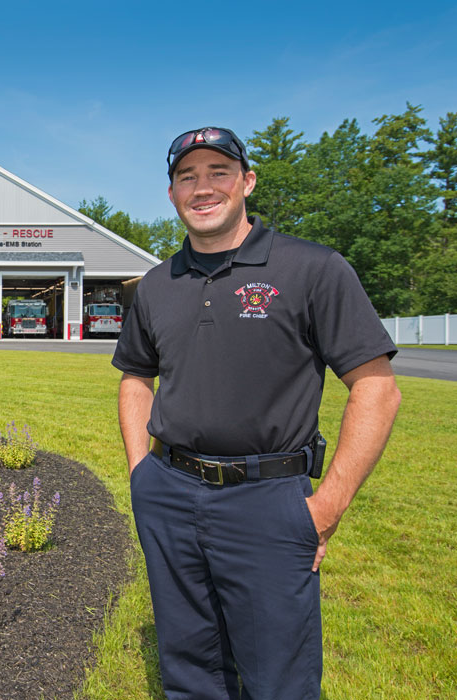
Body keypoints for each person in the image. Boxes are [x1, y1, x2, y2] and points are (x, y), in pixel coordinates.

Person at [112, 126, 401, 700]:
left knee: (279, 679)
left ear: (247, 182)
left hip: (268, 500)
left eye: (218, 172)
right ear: (171, 194)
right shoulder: (155, 285)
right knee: (190, 666)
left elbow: (376, 389)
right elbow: (135, 377)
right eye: (186, 177)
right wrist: (141, 472)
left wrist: (326, 508)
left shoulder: (311, 269)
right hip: (168, 493)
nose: (202, 188)